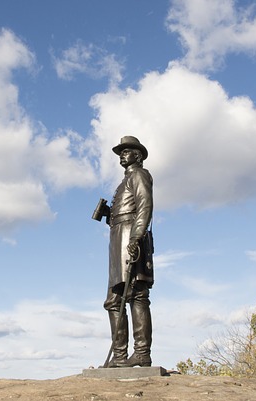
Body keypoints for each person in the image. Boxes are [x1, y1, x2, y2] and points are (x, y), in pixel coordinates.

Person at [103, 136, 154, 368]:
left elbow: (145, 207)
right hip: (118, 239)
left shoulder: (139, 175)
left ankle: (142, 352)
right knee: (114, 300)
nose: (122, 154)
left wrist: (136, 237)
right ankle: (120, 356)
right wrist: (108, 215)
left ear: (138, 155)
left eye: (127, 151)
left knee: (137, 295)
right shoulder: (125, 180)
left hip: (130, 239)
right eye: (121, 152)